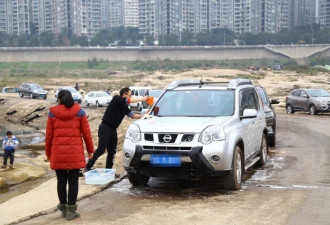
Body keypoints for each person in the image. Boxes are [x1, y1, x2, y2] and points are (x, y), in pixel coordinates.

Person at [45, 90, 94, 220]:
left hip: (58, 153)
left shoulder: (52, 113)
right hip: (74, 154)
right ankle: (71, 211)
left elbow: (48, 135)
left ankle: (63, 208)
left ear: (59, 99)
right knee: (73, 182)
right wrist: (90, 151)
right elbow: (86, 134)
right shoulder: (80, 111)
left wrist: (48, 153)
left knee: (61, 181)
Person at [85, 87, 147, 172]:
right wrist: (142, 99)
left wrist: (143, 115)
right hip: (105, 127)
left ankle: (108, 171)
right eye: (130, 94)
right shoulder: (117, 99)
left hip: (113, 129)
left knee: (112, 151)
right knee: (101, 150)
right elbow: (128, 100)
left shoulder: (125, 106)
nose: (131, 96)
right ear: (124, 94)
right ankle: (87, 167)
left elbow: (132, 115)